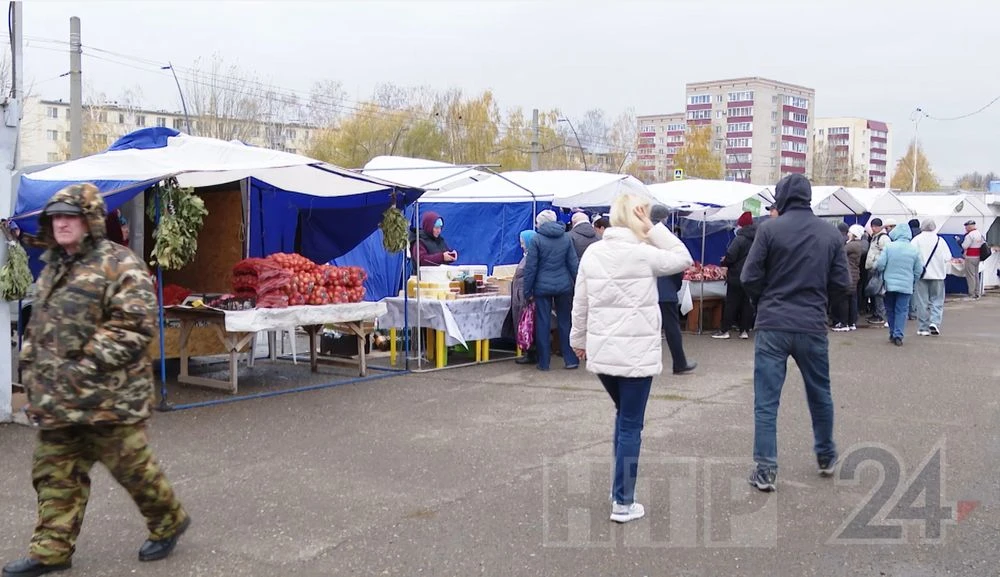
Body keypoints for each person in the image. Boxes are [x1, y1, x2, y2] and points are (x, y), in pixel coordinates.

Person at [3, 184, 189, 577]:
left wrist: (81, 367)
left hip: (110, 400)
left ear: (89, 220)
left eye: (70, 215)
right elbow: (41, 328)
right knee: (54, 474)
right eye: (55, 216)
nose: (61, 223)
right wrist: (34, 380)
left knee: (134, 472)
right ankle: (51, 550)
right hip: (59, 402)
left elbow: (132, 327)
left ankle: (168, 520)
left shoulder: (120, 264)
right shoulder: (55, 266)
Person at [570, 193, 693, 523]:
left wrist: (577, 341)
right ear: (638, 218)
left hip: (603, 354)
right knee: (630, 426)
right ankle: (623, 501)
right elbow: (683, 258)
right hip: (636, 356)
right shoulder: (645, 254)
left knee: (623, 417)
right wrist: (653, 228)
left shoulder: (593, 253)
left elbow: (579, 303)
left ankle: (618, 490)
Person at [740, 174, 851, 492]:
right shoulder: (830, 234)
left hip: (773, 324)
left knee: (766, 401)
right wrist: (822, 305)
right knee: (820, 394)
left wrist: (763, 300)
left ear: (783, 197)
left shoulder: (769, 229)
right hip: (812, 324)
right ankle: (826, 456)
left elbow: (749, 276)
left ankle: (765, 469)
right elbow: (843, 284)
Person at [523, 209, 580, 371]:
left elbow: (531, 268)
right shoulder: (566, 238)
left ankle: (544, 363)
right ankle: (570, 359)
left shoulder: (536, 240)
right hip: (564, 286)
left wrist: (527, 291)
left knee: (543, 323)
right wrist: (579, 284)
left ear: (540, 224)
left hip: (542, 287)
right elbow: (573, 263)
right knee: (565, 322)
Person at [650, 204, 696, 375]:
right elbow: (677, 266)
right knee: (671, 329)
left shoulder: (643, 235)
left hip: (647, 290)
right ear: (664, 218)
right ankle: (679, 362)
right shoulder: (666, 237)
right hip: (666, 289)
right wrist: (675, 287)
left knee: (645, 329)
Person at [875, 223, 922, 346]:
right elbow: (918, 270)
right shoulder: (914, 249)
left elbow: (880, 265)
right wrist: (913, 280)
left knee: (890, 309)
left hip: (889, 284)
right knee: (902, 310)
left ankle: (892, 332)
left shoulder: (889, 247)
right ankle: (898, 335)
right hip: (906, 285)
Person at [713, 211, 756, 340]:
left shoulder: (739, 238)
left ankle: (725, 330)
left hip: (737, 276)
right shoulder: (758, 238)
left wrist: (725, 261)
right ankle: (744, 331)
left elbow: (731, 255)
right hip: (752, 276)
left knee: (732, 303)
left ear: (741, 225)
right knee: (747, 304)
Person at [911, 219, 950, 336]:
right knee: (937, 300)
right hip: (938, 275)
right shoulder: (940, 240)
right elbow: (948, 257)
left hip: (921, 275)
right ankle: (935, 322)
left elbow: (912, 255)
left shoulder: (916, 240)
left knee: (922, 302)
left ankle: (923, 327)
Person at [511, 230, 537, 365]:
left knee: (527, 324)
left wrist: (527, 294)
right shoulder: (528, 255)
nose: (521, 246)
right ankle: (530, 352)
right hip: (521, 294)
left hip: (524, 296)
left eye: (522, 243)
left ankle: (531, 353)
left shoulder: (531, 257)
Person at [833, 225, 866, 331]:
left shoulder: (851, 246)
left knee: (844, 299)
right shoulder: (858, 244)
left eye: (850, 233)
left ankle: (844, 323)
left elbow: (838, 252)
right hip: (854, 274)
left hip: (849, 274)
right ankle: (851, 322)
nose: (848, 234)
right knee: (852, 299)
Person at [864, 218, 891, 325]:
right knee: (874, 292)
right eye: (872, 226)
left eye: (875, 226)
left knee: (878, 292)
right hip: (872, 268)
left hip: (878, 269)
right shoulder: (875, 237)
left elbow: (885, 254)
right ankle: (876, 313)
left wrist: (877, 264)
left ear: (880, 227)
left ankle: (881, 315)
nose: (873, 228)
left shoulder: (883, 238)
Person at [961, 220, 984, 299]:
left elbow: (964, 246)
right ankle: (977, 292)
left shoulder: (969, 235)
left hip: (970, 256)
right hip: (977, 256)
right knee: (976, 275)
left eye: (966, 227)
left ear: (969, 226)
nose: (965, 228)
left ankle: (972, 294)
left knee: (970, 275)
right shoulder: (979, 234)